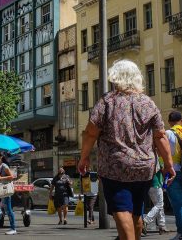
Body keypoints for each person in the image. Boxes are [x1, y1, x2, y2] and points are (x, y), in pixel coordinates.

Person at [78, 60, 175, 240]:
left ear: (115, 78)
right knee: (137, 212)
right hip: (144, 168)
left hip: (115, 167)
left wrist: (83, 158)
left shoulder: (107, 102)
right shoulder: (148, 103)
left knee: (122, 210)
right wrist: (168, 164)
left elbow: (90, 133)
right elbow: (160, 136)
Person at [165, 111, 182, 239]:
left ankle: (181, 233)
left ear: (170, 122)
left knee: (178, 204)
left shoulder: (169, 133)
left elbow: (163, 152)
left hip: (174, 172)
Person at [142, 168, 169, 235]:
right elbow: (164, 170)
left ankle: (162, 227)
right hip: (156, 183)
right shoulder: (158, 158)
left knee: (158, 205)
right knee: (159, 204)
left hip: (149, 184)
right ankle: (146, 220)